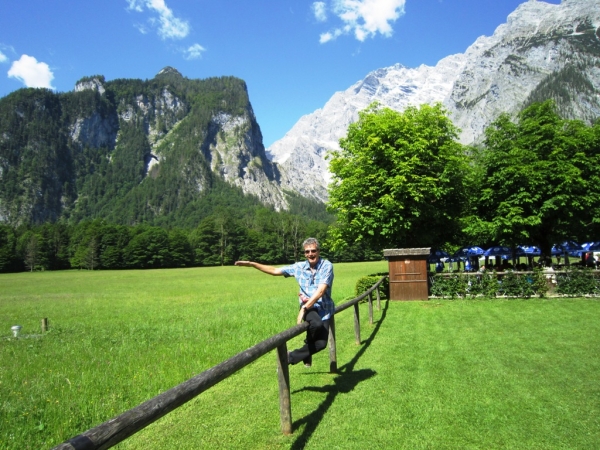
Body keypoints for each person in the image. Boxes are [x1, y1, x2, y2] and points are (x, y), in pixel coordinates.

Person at [235, 237, 334, 367]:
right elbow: (275, 271)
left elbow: (321, 291)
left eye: (313, 251)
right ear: (304, 253)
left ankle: (297, 354)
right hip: (310, 307)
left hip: (324, 308)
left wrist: (304, 309)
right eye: (307, 252)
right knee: (316, 323)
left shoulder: (326, 266)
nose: (310, 254)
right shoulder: (299, 267)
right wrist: (253, 264)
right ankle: (288, 358)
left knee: (321, 344)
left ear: (319, 251)